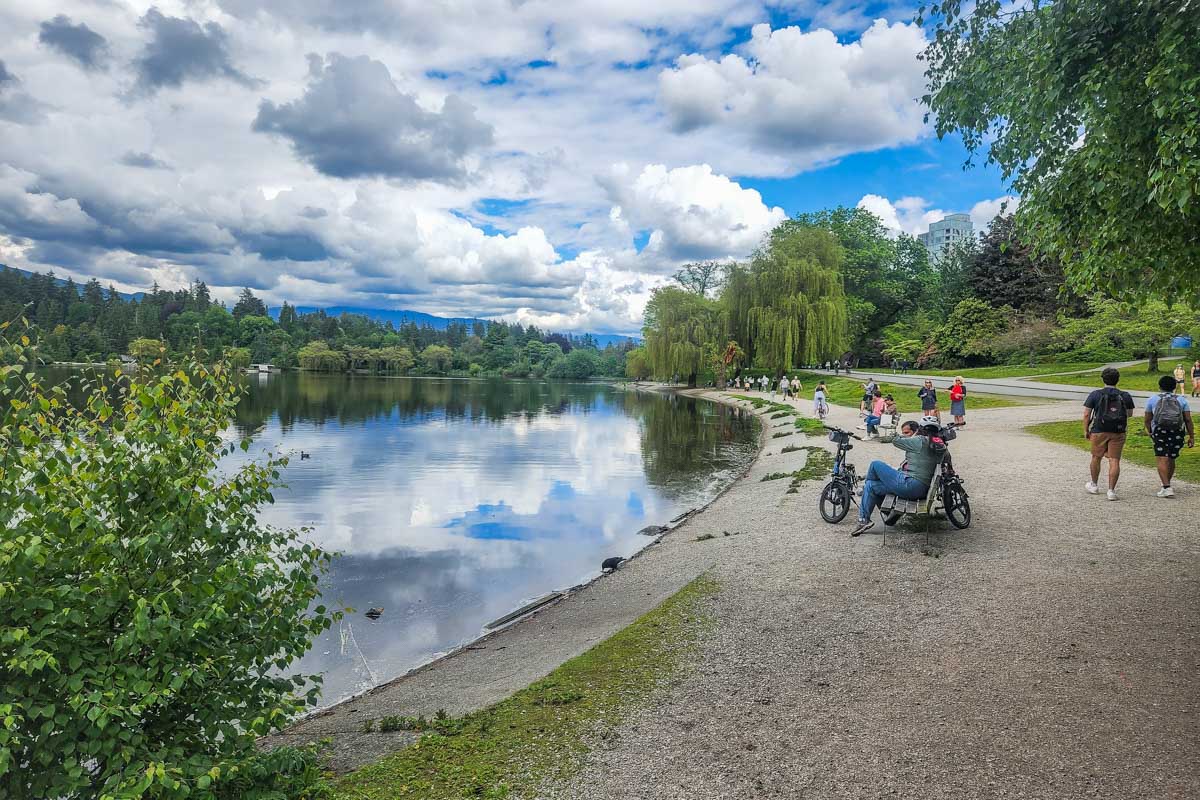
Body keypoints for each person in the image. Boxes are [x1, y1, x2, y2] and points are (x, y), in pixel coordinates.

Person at [850, 418, 940, 537]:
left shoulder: (919, 440)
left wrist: (901, 435)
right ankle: (864, 520)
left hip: (911, 486)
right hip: (921, 488)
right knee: (871, 486)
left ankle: (884, 510)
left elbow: (896, 441)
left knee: (875, 464)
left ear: (920, 430)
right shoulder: (939, 444)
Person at [1083, 366, 1135, 501]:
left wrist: (1086, 429)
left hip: (1099, 430)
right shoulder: (1125, 395)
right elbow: (1129, 414)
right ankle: (1111, 491)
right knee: (1114, 460)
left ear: (1103, 379)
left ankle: (1094, 484)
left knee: (1096, 457)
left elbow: (1087, 414)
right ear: (1118, 379)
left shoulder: (1095, 394)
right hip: (1118, 431)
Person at [1144, 375, 1194, 497]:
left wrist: (1150, 430)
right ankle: (1166, 484)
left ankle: (1166, 487)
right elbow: (1187, 419)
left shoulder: (1153, 399)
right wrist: (1191, 436)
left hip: (1160, 431)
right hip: (1177, 431)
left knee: (1161, 457)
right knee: (1171, 457)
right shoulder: (1181, 400)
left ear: (1159, 386)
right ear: (1174, 386)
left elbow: (1147, 418)